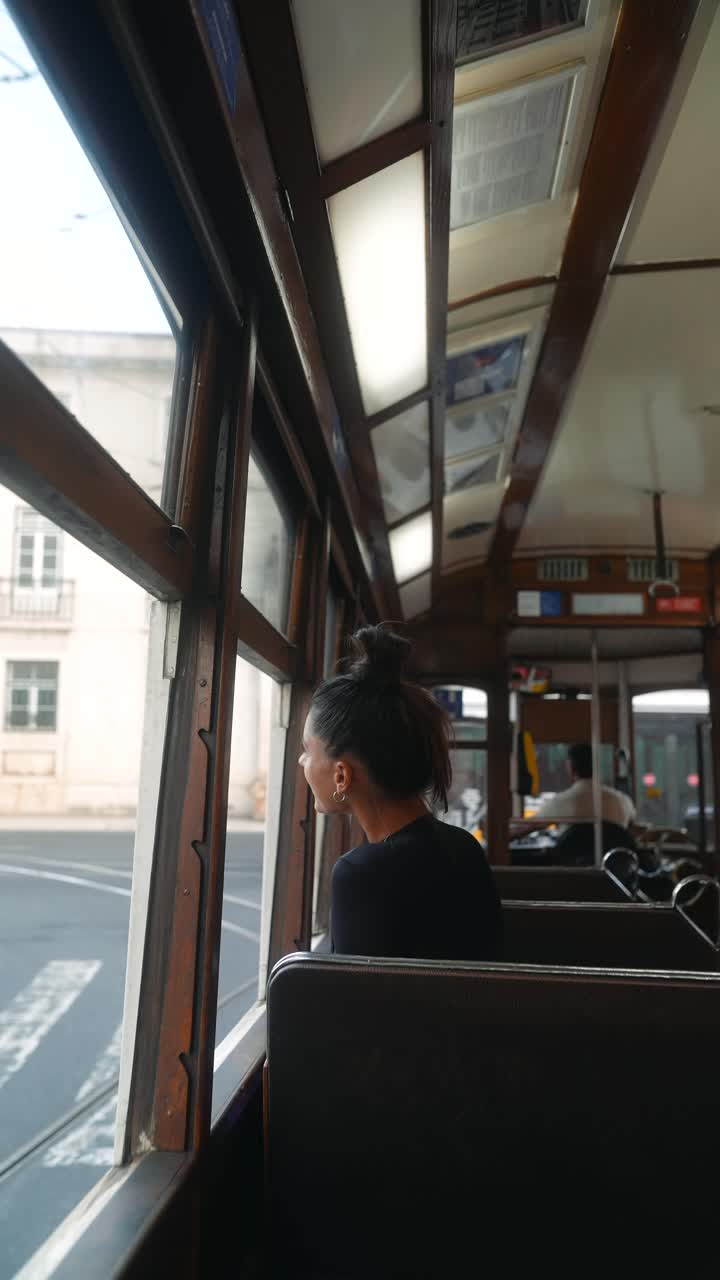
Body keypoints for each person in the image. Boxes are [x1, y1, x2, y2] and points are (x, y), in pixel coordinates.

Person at [299, 625, 502, 961]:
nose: (301, 760)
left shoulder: (361, 873)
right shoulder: (464, 847)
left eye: (308, 749)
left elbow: (359, 1003)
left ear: (341, 774)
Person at [532, 742, 635, 827]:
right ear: (596, 767)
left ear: (570, 767)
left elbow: (524, 828)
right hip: (611, 852)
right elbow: (633, 826)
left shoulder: (560, 802)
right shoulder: (623, 801)